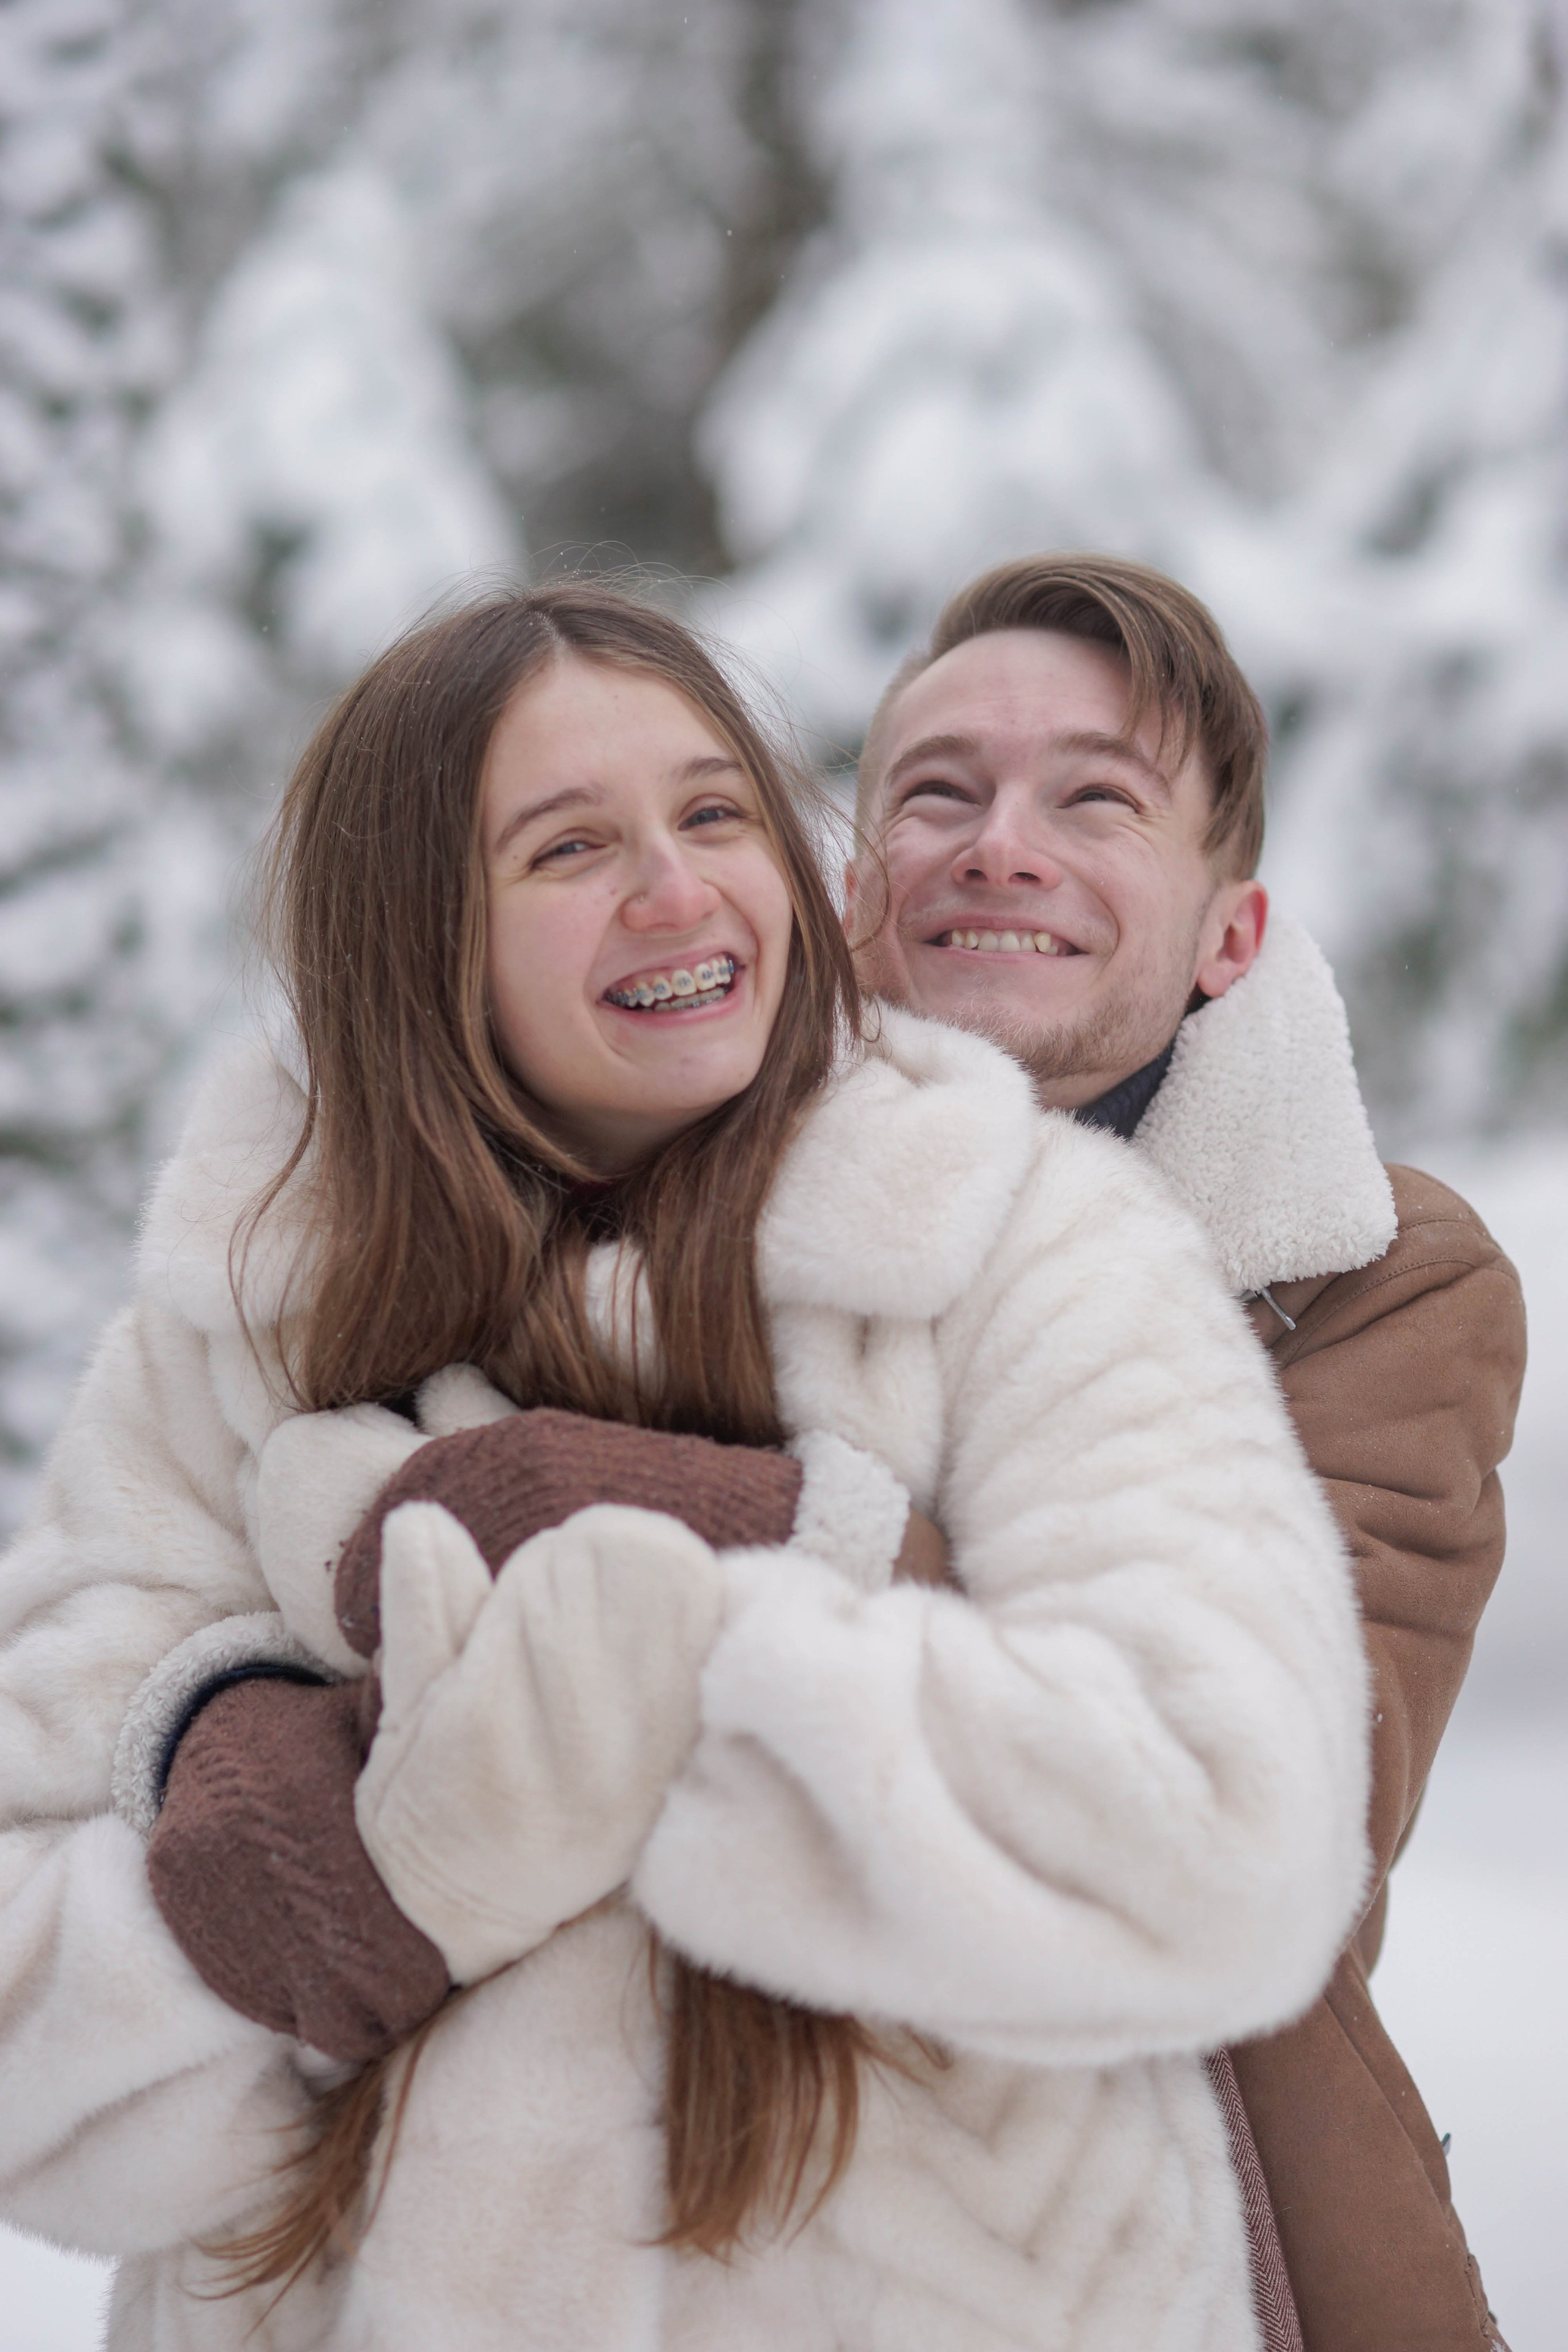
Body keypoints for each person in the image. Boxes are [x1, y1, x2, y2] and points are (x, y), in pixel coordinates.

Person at [0, 583, 1370, 2352]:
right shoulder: (227, 1343)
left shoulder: (1025, 1244)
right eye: (571, 846)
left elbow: (1232, 1843)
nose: (677, 888)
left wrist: (692, 1654)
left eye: (716, 814)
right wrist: (366, 1857)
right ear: (415, 936)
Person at [845, 552, 1526, 2352]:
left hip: (1183, 2233)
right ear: (853, 890)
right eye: (940, 793)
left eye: (1097, 800)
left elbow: (1258, 1806)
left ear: (1231, 936)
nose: (1002, 845)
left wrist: (740, 1518)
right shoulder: (645, 1222)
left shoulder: (1374, 1286)